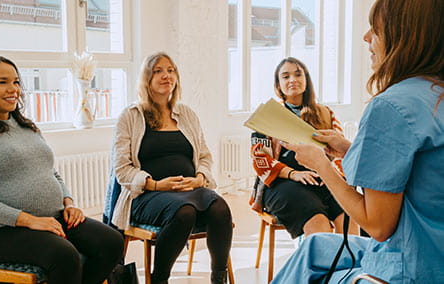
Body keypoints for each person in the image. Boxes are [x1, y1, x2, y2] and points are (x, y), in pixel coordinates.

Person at [272, 0, 444, 282]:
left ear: (403, 37)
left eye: (375, 29)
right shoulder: (433, 95)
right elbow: (410, 171)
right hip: (433, 251)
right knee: (316, 245)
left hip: (410, 264)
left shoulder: (391, 106)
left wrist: (321, 164)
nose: (366, 37)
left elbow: (378, 226)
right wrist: (347, 149)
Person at [0, 54, 124, 284]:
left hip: (52, 218)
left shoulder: (26, 126)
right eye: (2, 82)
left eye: (16, 82)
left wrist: (68, 202)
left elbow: (51, 172)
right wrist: (29, 220)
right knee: (64, 255)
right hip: (0, 231)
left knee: (111, 242)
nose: (13, 89)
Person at [103, 52, 233, 284]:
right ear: (146, 78)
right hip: (146, 195)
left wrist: (200, 178)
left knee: (220, 208)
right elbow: (121, 168)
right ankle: (159, 279)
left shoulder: (187, 115)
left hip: (188, 191)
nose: (166, 76)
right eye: (158, 71)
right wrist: (154, 183)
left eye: (171, 70)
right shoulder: (131, 116)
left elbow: (204, 156)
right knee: (184, 213)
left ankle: (219, 278)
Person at [249, 57, 358, 239]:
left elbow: (339, 154)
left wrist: (331, 174)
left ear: (306, 79)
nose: (292, 80)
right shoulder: (267, 116)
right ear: (278, 84)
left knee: (349, 218)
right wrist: (294, 174)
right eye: (285, 76)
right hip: (283, 183)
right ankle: (321, 267)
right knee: (318, 222)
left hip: (323, 179)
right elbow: (259, 160)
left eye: (298, 74)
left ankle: (348, 266)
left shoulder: (326, 113)